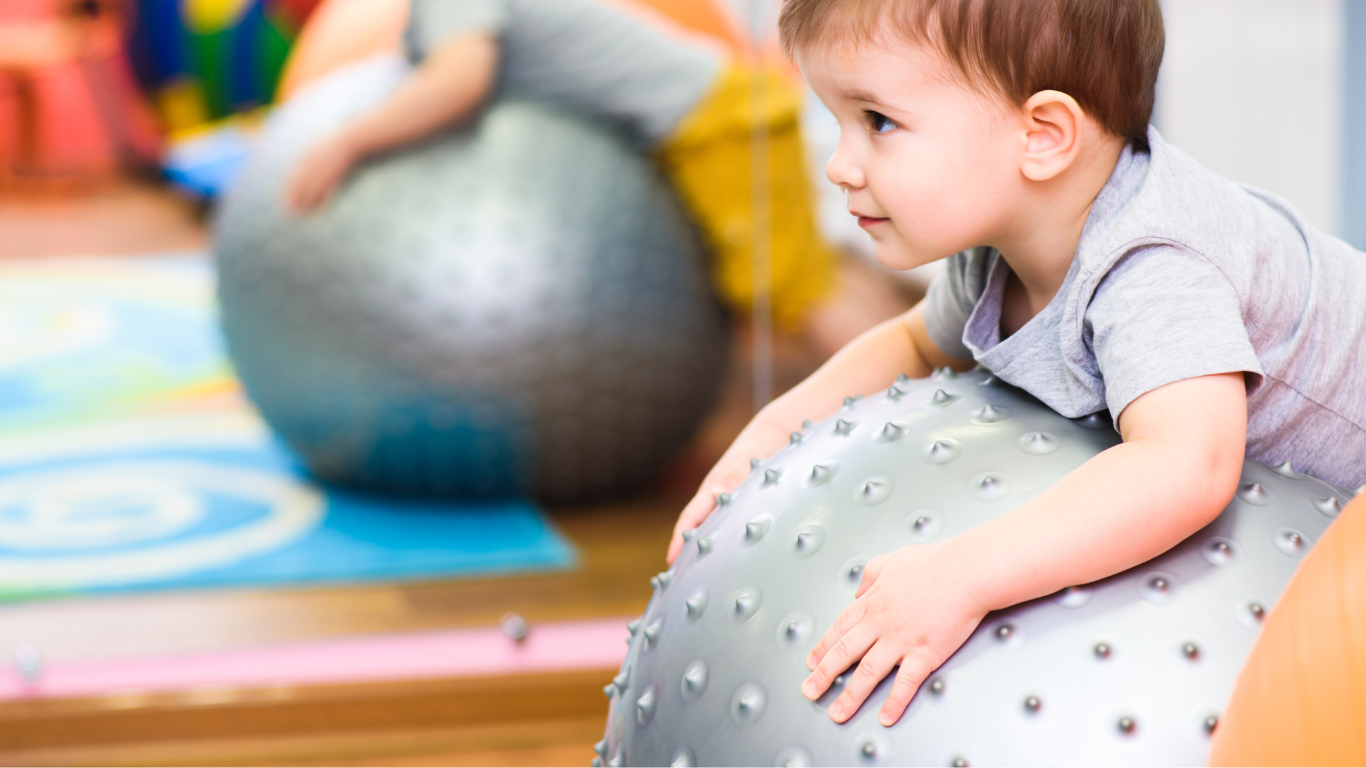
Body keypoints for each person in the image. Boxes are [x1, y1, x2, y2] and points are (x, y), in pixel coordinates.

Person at [667, 0, 1366, 728]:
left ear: (1043, 136)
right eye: (837, 120)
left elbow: (1186, 465)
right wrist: (772, 432)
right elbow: (912, 344)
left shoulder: (1152, 267)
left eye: (878, 121)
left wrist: (963, 574)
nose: (839, 167)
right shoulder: (1003, 247)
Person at [284, 0, 909, 354]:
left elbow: (460, 79)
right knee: (810, 275)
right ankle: (915, 382)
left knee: (793, 291)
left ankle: (903, 406)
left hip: (717, 122)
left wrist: (348, 141)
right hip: (728, 105)